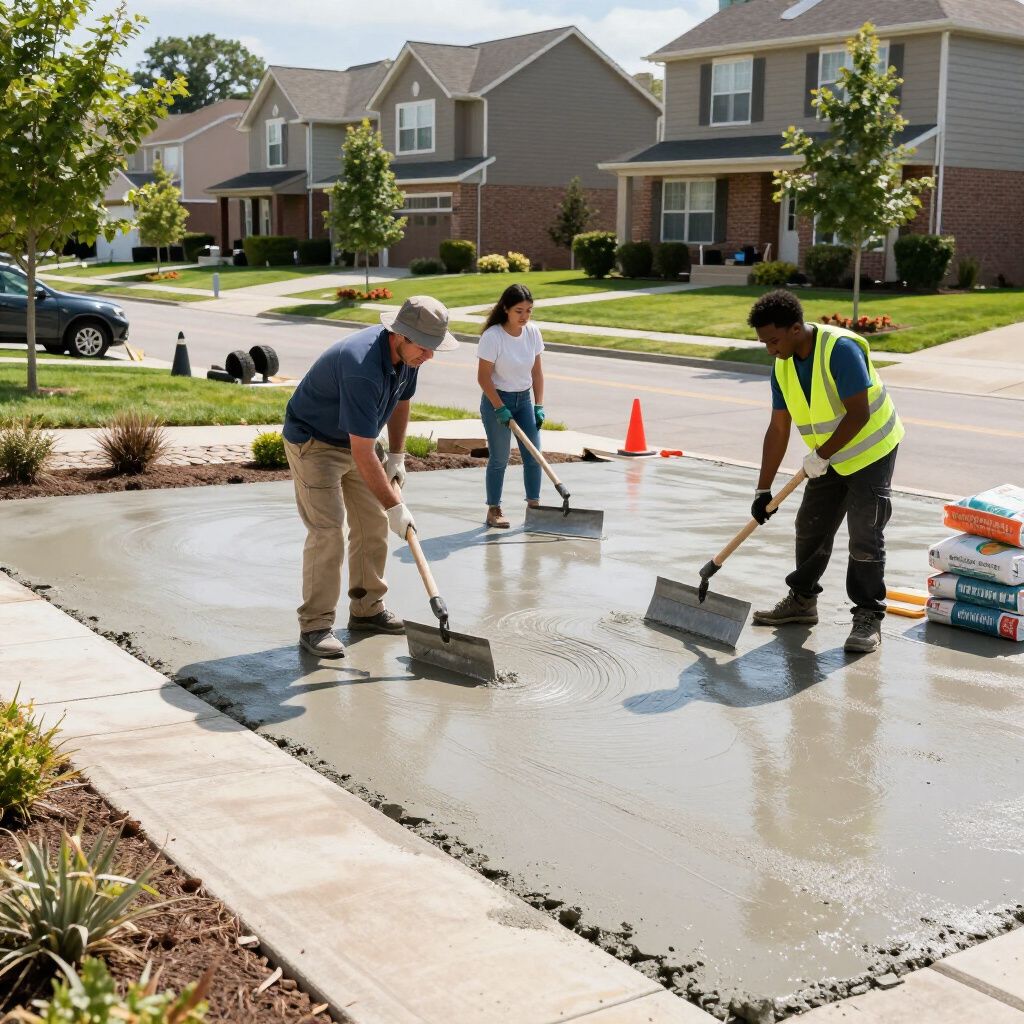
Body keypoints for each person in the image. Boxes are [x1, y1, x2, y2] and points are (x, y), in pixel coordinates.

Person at [282, 295, 459, 658]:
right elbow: (362, 454)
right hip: (314, 442)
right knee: (328, 531)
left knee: (373, 525)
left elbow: (402, 400)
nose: (430, 356)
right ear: (400, 334)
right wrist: (397, 506)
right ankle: (315, 625)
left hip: (357, 438)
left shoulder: (410, 356)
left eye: (433, 348)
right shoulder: (361, 365)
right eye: (425, 347)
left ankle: (367, 610)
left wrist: (397, 454)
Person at [746, 289, 904, 654]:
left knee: (864, 532)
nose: (770, 349)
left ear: (797, 329)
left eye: (773, 340)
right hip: (828, 454)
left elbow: (859, 414)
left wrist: (820, 455)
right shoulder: (783, 366)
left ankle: (867, 615)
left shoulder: (840, 350)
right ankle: (802, 601)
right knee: (811, 524)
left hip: (871, 449)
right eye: (764, 342)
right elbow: (778, 428)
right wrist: (762, 491)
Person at [477, 283, 546, 529]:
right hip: (498, 401)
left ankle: (534, 507)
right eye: (519, 311)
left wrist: (539, 404)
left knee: (534, 456)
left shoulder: (533, 333)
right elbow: (483, 378)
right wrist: (499, 407)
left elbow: (537, 373)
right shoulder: (492, 336)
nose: (524, 316)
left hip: (524, 401)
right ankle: (493, 509)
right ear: (506, 309)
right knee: (500, 457)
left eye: (529, 310)